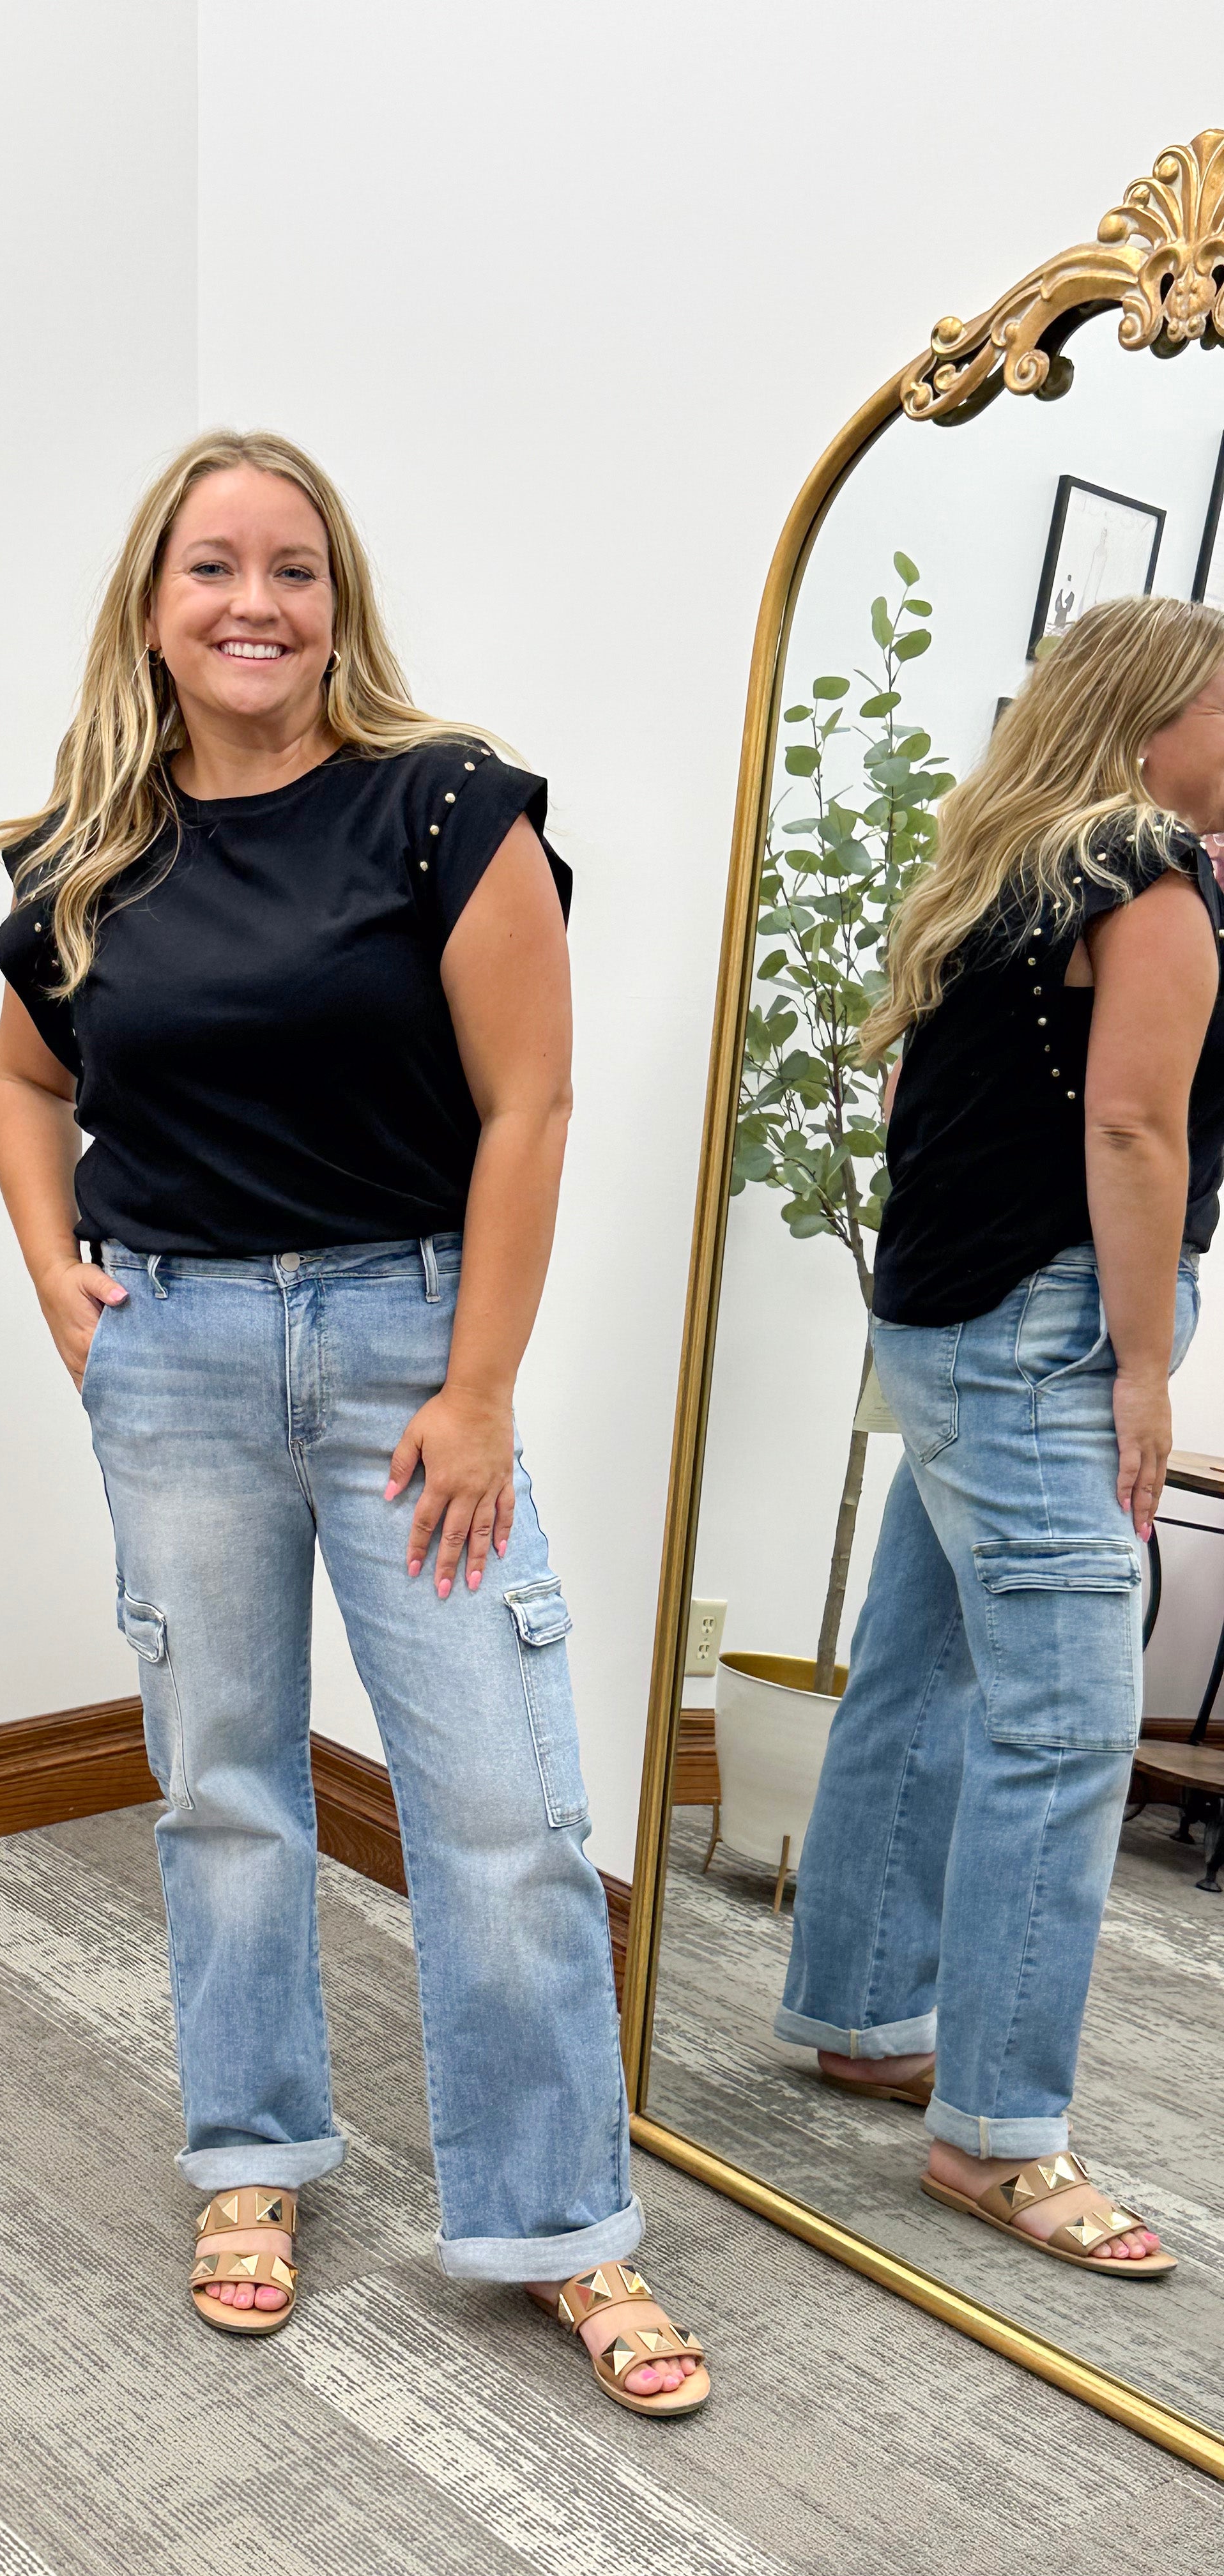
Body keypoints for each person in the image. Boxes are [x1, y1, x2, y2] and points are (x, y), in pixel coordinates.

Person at [0, 429, 709, 2414]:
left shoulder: (444, 809)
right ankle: (254, 2162)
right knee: (223, 1786)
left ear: (338, 601)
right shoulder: (86, 859)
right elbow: (29, 1089)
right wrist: (63, 1277)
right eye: (213, 567)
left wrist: (478, 1389)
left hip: (406, 1355)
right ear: (154, 603)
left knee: (501, 1806)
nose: (254, 603)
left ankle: (558, 2223)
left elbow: (528, 1109)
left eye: (293, 569)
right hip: (180, 1362)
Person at [776, 595, 1224, 2276]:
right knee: (1067, 1730)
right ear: (1153, 718)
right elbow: (1132, 1122)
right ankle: (1000, 2137)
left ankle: (865, 2012)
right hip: (1048, 1334)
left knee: (922, 1669)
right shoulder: (1149, 877)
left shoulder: (1000, 867)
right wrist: (1141, 1369)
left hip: (947, 1315)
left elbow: (913, 1111)